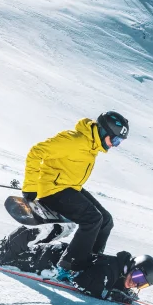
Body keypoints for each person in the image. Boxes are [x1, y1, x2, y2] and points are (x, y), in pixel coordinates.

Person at [20, 111, 129, 281]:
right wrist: (30, 186)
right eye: (115, 140)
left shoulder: (92, 146)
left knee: (106, 220)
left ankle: (90, 261)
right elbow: (36, 152)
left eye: (119, 142)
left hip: (69, 188)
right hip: (52, 190)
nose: (115, 145)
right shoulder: (73, 140)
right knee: (92, 219)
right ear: (103, 131)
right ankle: (69, 267)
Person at [0, 225, 153, 303]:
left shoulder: (118, 269)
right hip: (48, 260)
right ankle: (30, 231)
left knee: (19, 255)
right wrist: (109, 295)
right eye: (138, 276)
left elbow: (111, 283)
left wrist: (124, 293)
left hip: (56, 256)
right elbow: (82, 282)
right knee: (3, 259)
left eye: (141, 284)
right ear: (133, 266)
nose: (135, 283)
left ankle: (51, 229)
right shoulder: (110, 268)